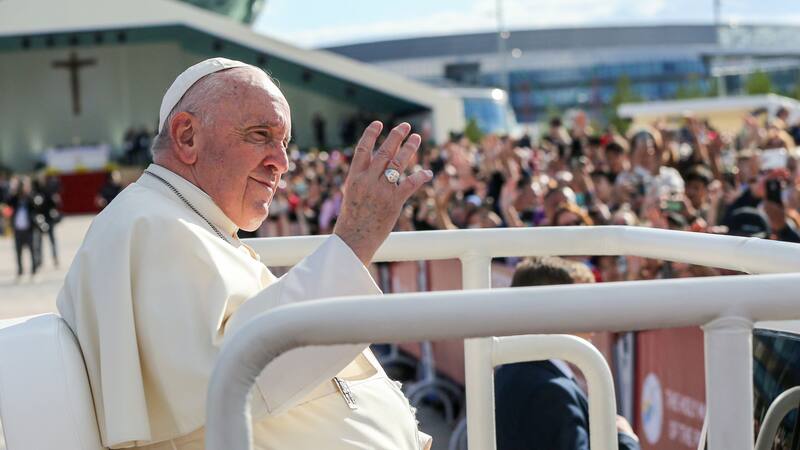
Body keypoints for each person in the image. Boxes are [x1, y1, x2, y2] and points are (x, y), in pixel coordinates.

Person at [57, 58, 434, 449]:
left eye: (284, 144)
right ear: (187, 137)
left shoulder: (187, 220)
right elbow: (231, 374)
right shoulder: (148, 226)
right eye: (260, 135)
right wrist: (354, 239)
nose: (281, 163)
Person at [494, 256, 640, 450]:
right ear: (550, 310)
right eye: (583, 304)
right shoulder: (551, 391)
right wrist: (626, 441)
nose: (594, 315)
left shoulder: (513, 371)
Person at [8, 176, 44, 281]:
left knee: (32, 250)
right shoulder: (15, 198)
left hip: (29, 229)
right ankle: (20, 271)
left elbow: (37, 206)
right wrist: (14, 190)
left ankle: (34, 271)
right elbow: (8, 202)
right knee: (18, 252)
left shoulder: (31, 197)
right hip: (18, 229)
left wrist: (28, 193)